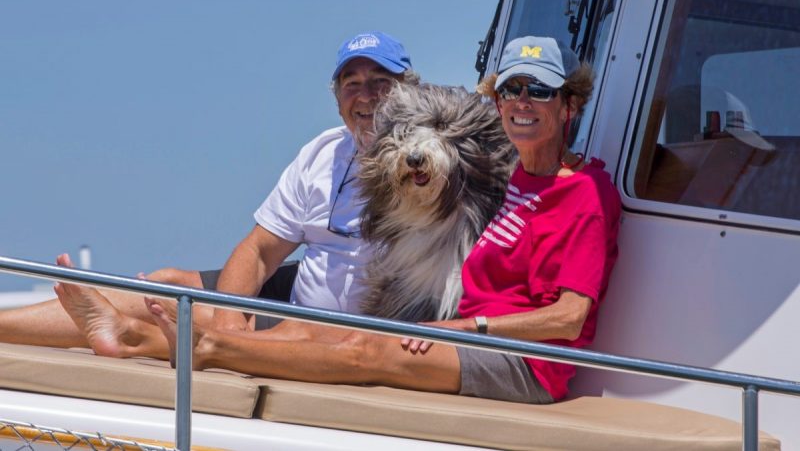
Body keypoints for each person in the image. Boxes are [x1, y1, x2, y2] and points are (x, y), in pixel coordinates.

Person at [134, 35, 621, 404]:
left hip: (524, 363)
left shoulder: (584, 193)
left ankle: (207, 350)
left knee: (367, 350)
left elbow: (571, 317)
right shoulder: (511, 177)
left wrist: (466, 329)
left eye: (539, 90)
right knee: (309, 330)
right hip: (460, 333)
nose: (521, 101)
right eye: (511, 90)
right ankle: (136, 338)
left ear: (570, 105)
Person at [0, 31, 418, 358]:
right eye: (352, 83)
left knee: (206, 320)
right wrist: (230, 318)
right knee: (164, 285)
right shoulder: (323, 153)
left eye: (381, 82)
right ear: (337, 97)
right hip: (297, 300)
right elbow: (258, 251)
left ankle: (128, 335)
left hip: (355, 327)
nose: (365, 97)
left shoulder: (432, 159)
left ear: (409, 91)